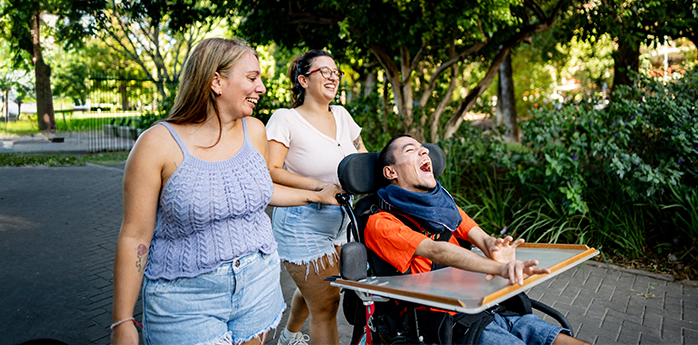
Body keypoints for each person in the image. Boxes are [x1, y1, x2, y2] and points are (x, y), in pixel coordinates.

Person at [109, 38, 339, 345]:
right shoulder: (157, 145)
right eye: (252, 78)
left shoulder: (254, 130)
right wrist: (122, 320)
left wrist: (317, 193)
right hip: (186, 298)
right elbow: (135, 235)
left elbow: (258, 190)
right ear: (216, 81)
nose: (262, 88)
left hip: (257, 283)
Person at [364, 135, 591, 345]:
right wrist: (500, 269)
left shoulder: (442, 207)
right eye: (411, 150)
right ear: (390, 172)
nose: (424, 152)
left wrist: (495, 247)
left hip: (490, 307)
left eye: (424, 149)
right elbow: (436, 250)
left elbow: (481, 237)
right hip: (449, 322)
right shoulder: (380, 223)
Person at [264, 50, 365, 345]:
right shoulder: (285, 119)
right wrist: (318, 189)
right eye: (325, 71)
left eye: (336, 72)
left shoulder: (343, 116)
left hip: (342, 219)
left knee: (315, 289)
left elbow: (361, 159)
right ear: (304, 79)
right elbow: (271, 170)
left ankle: (288, 337)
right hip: (301, 222)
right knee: (326, 304)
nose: (333, 76)